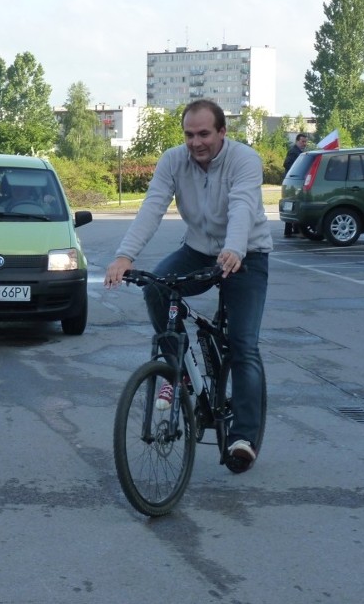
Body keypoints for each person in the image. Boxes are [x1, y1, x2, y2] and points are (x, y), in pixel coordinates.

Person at [104, 99, 272, 471]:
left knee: (243, 344)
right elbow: (152, 207)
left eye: (204, 134)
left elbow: (243, 205)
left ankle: (243, 436)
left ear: (222, 132)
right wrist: (124, 256)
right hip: (197, 249)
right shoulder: (173, 161)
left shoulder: (244, 160)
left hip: (247, 253)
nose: (196, 142)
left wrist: (234, 249)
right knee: (156, 287)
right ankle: (175, 369)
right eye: (189, 134)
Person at [283, 133, 307, 237]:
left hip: (293, 182)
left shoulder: (300, 152)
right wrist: (296, 171)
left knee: (293, 205)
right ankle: (289, 230)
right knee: (291, 205)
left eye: (305, 142)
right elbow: (287, 164)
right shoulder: (294, 152)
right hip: (292, 183)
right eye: (302, 141)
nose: (304, 144)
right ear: (297, 141)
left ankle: (293, 230)